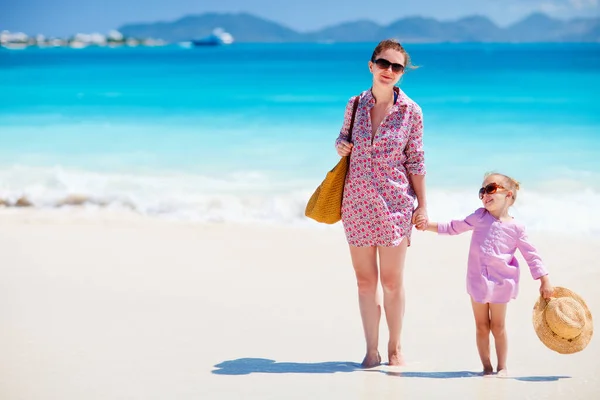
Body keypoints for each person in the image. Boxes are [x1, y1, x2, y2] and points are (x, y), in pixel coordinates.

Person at [335, 39, 428, 368]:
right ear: (371, 65)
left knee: (391, 281)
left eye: (396, 66)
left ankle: (394, 347)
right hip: (356, 203)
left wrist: (423, 206)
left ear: (403, 72)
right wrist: (341, 146)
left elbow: (416, 161)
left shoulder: (411, 112)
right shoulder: (354, 104)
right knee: (364, 281)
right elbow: (343, 139)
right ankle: (371, 350)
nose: (389, 70)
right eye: (383, 63)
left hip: (395, 205)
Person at [415, 172, 554, 376]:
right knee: (481, 327)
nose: (485, 195)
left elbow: (531, 255)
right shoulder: (479, 217)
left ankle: (502, 366)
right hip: (478, 282)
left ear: (509, 195)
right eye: (482, 191)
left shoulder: (516, 228)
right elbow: (454, 227)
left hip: (501, 284)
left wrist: (545, 280)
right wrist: (427, 225)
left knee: (498, 327)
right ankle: (487, 367)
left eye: (491, 189)